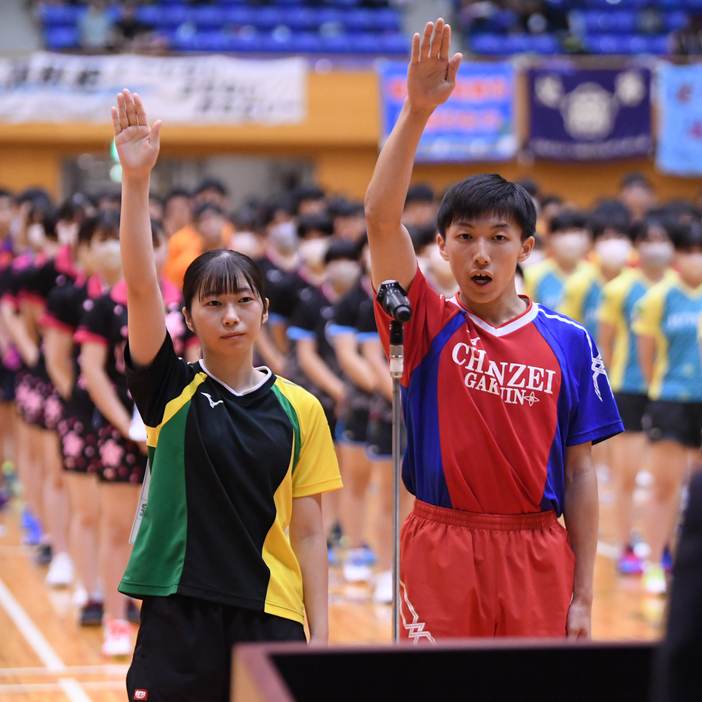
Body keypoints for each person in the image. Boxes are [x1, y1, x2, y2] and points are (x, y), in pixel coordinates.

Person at [364, 19, 622, 639]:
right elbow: (378, 216)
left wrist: (584, 594)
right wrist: (418, 112)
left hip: (537, 552)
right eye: (466, 239)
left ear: (525, 248)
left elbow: (580, 472)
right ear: (443, 248)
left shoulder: (570, 341)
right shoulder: (426, 320)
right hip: (440, 548)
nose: (482, 254)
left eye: (499, 239)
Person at [112, 89, 341, 698]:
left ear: (265, 309)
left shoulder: (302, 408)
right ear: (187, 314)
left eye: (244, 300)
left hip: (271, 615)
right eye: (213, 303)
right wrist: (137, 182)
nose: (231, 314)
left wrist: (321, 643)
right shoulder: (169, 388)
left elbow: (312, 533)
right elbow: (138, 287)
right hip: (178, 613)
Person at [597, 218, 676, 575]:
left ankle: (664, 546)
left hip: (673, 393)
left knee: (669, 480)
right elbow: (606, 342)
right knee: (627, 476)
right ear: (637, 246)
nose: (655, 246)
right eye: (648, 239)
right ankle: (626, 544)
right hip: (628, 390)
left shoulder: (681, 287)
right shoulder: (619, 289)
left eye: (663, 239)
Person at [633, 220, 702, 596]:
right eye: (689, 251)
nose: (696, 260)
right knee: (664, 485)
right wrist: (659, 390)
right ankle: (654, 563)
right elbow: (647, 355)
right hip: (671, 400)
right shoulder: (658, 297)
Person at [559, 212, 633, 338]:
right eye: (606, 238)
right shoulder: (578, 282)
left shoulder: (635, 283)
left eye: (619, 237)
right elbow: (566, 328)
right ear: (593, 243)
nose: (613, 244)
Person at [524, 210, 591, 311]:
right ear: (549, 237)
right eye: (563, 232)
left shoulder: (594, 275)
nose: (569, 239)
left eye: (575, 231)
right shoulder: (532, 275)